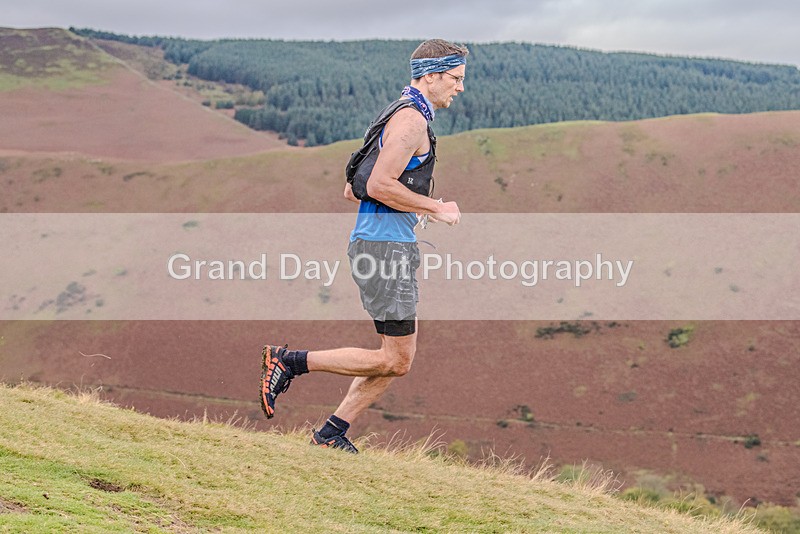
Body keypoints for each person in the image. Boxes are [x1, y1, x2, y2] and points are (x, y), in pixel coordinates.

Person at [260, 39, 467, 453]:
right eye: (456, 79)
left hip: (383, 244)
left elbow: (353, 191)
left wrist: (409, 207)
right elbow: (376, 185)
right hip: (384, 250)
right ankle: (290, 361)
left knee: (396, 356)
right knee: (396, 360)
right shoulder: (410, 123)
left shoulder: (397, 113)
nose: (459, 88)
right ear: (430, 75)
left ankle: (332, 432)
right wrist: (434, 206)